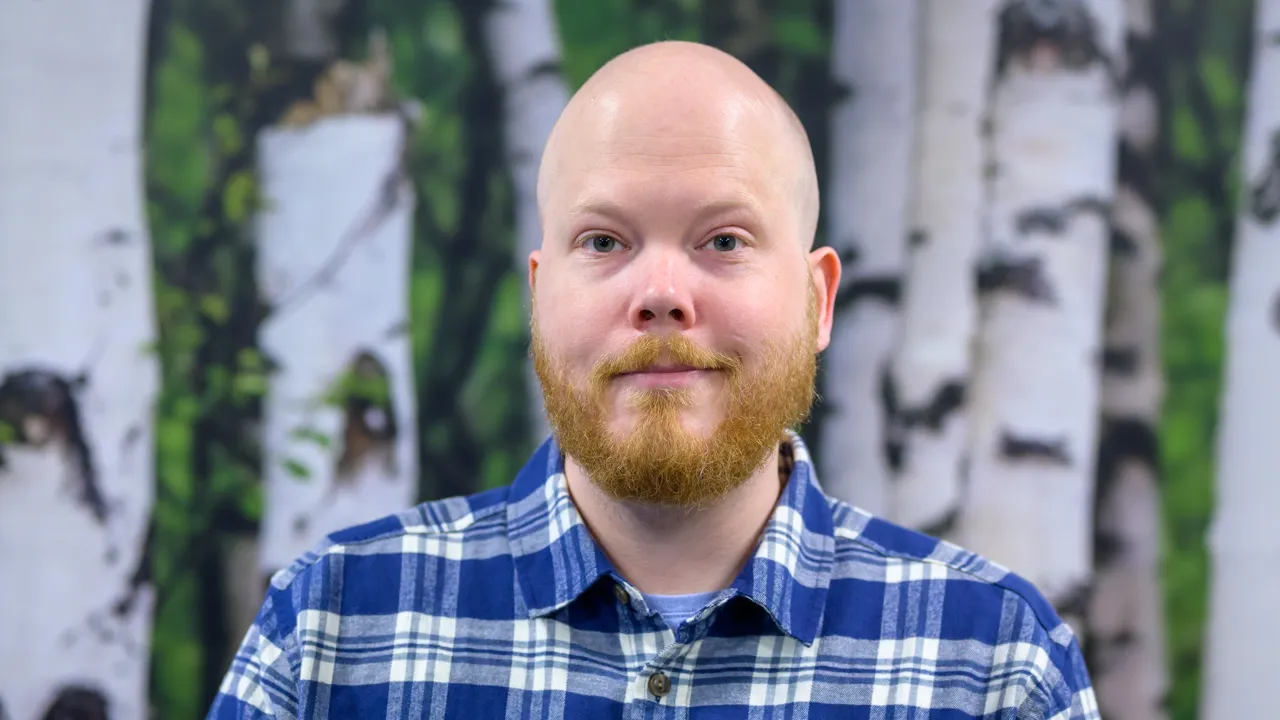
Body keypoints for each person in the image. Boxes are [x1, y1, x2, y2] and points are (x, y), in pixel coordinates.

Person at [207, 40, 1098, 719]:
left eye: (723, 240)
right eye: (604, 241)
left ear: (818, 301)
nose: (662, 293)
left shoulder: (993, 663)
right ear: (539, 295)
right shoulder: (332, 632)